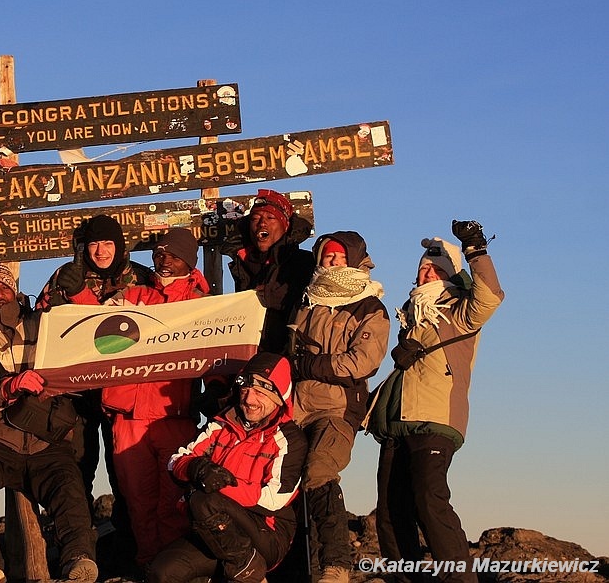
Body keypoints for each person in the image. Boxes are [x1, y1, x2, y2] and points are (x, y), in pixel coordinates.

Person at [365, 221, 504, 583]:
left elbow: (490, 295)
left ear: (450, 275)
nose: (426, 273)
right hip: (397, 423)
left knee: (429, 499)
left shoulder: (460, 311)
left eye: (435, 269)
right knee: (390, 513)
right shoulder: (411, 316)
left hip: (436, 420)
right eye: (423, 269)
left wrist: (474, 247)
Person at [0, 264, 98, 583]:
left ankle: (79, 558)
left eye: (3, 287)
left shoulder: (45, 325)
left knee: (69, 488)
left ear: (16, 291)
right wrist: (4, 390)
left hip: (46, 440)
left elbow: (79, 353)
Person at [35, 214, 150, 576]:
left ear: (119, 246)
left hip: (125, 393)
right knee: (76, 470)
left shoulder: (140, 279)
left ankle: (130, 548)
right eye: (94, 244)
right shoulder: (66, 274)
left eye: (107, 244)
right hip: (77, 392)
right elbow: (42, 320)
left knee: (125, 473)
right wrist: (55, 298)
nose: (100, 251)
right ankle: (76, 550)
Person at [282, 232, 390, 583]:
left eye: (340, 256)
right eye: (327, 255)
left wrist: (314, 365)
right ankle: (294, 565)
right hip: (297, 405)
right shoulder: (308, 299)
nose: (332, 261)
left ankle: (337, 565)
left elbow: (363, 362)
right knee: (282, 476)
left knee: (320, 471)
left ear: (355, 261)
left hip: (339, 408)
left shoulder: (369, 306)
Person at [100, 228, 208, 572]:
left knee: (173, 502)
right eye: (159, 254)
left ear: (188, 261)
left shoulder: (201, 303)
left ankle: (173, 571)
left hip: (172, 416)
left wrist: (217, 390)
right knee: (138, 503)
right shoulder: (133, 296)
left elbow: (220, 349)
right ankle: (149, 567)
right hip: (128, 415)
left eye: (173, 256)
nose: (164, 261)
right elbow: (92, 326)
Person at [148, 353, 309, 583]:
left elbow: (273, 499)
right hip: (214, 529)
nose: (249, 399)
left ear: (279, 397)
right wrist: (196, 468)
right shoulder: (221, 423)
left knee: (204, 500)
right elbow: (176, 460)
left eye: (261, 392)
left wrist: (220, 484)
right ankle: (232, 569)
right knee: (162, 572)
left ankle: (249, 571)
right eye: (245, 390)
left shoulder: (289, 439)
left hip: (266, 534)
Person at [222, 189, 315, 354]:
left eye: (270, 218)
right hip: (249, 361)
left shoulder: (305, 263)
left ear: (285, 226)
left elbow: (314, 310)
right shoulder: (242, 264)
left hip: (289, 362)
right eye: (255, 218)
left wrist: (275, 297)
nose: (262, 223)